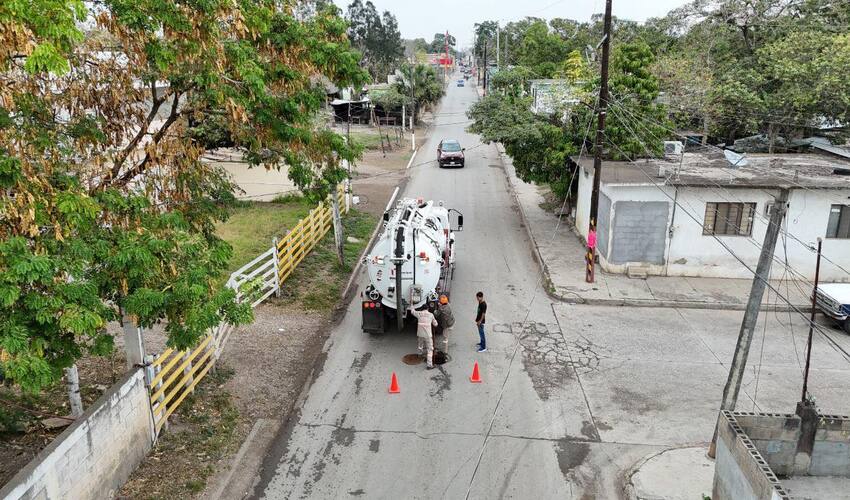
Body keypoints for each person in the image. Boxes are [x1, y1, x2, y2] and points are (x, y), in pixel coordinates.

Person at [410, 305, 438, 369]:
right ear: (427, 309)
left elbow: (412, 312)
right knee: (430, 349)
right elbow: (436, 324)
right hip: (428, 335)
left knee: (420, 345)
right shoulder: (431, 315)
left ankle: (419, 355)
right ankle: (429, 365)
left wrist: (412, 306)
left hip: (420, 334)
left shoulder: (419, 313)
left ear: (422, 309)